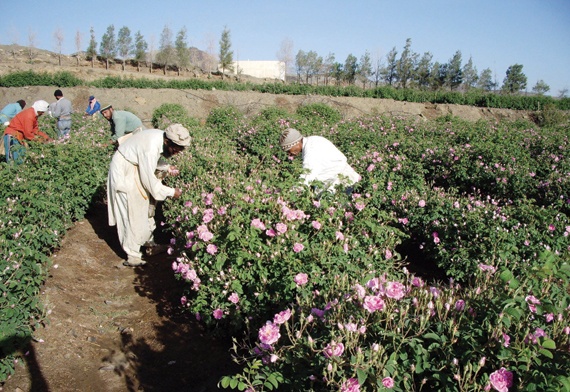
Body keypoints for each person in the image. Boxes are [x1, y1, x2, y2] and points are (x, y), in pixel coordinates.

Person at [107, 123, 190, 267]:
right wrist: (171, 192)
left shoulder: (159, 138)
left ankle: (149, 245)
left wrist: (166, 167)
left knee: (144, 208)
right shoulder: (151, 146)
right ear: (167, 141)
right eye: (176, 149)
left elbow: (152, 161)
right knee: (131, 211)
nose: (177, 152)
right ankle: (133, 255)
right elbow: (150, 182)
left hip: (134, 167)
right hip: (124, 170)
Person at [279, 128, 360, 193]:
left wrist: (290, 193)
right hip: (336, 181)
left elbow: (307, 177)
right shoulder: (312, 140)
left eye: (289, 149)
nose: (289, 153)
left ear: (296, 143)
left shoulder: (311, 151)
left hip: (342, 183)